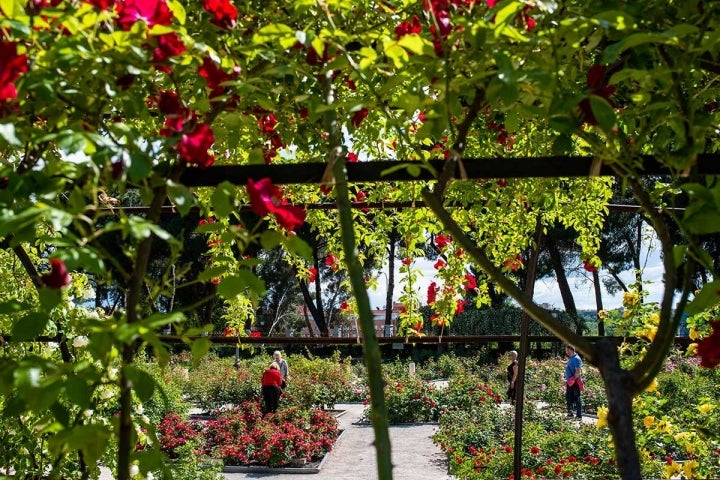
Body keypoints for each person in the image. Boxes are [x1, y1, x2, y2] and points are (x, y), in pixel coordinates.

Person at [564, 345, 583, 419]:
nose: (566, 351)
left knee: (576, 398)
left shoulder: (576, 359)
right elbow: (568, 363)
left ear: (570, 350)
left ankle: (579, 415)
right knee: (569, 397)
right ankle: (570, 414)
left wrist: (573, 379)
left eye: (566, 350)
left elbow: (578, 371)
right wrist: (561, 362)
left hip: (574, 382)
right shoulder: (572, 358)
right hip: (570, 382)